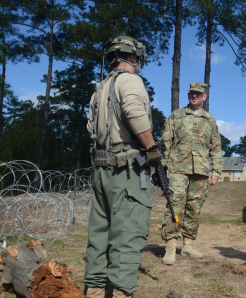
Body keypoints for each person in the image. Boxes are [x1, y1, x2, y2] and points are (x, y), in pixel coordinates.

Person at [83, 36, 161, 298]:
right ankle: (120, 292)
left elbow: (90, 127)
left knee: (100, 232)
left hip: (102, 169)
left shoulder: (100, 87)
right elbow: (136, 114)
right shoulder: (131, 80)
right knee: (128, 231)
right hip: (125, 170)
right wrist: (152, 150)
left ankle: (93, 289)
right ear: (134, 57)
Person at [160, 82, 223, 265]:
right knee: (174, 207)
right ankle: (171, 246)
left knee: (194, 209)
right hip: (178, 169)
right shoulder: (176, 116)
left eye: (198, 93)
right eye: (191, 93)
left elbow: (216, 148)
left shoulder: (210, 120)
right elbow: (165, 142)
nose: (194, 96)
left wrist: (216, 171)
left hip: (200, 171)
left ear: (204, 97)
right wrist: (164, 167)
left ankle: (188, 245)